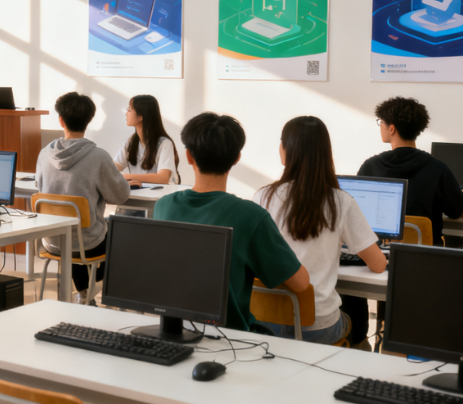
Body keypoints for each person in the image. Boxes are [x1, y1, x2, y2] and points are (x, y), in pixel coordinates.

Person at [153, 112, 310, 333]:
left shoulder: (163, 206)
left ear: (188, 156)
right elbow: (301, 283)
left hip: (173, 329)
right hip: (230, 337)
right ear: (237, 158)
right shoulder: (251, 216)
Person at [253, 116, 387, 345]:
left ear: (285, 150)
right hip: (317, 327)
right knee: (355, 318)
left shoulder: (262, 196)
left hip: (266, 321)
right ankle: (360, 357)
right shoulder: (340, 201)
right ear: (325, 153)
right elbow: (379, 265)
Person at [342, 96, 463, 346]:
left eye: (381, 122)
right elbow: (456, 211)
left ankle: (364, 337)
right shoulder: (437, 168)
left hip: (373, 259)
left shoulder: (371, 166)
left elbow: (354, 216)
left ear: (392, 128)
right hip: (421, 265)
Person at [35, 92, 131, 304]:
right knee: (115, 235)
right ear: (89, 121)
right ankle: (94, 291)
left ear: (61, 120)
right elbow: (121, 195)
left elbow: (39, 186)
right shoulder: (98, 156)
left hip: (51, 241)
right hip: (87, 243)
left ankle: (85, 293)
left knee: (73, 230)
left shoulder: (44, 154)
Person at [114, 95, 180, 185]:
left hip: (160, 193)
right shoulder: (131, 142)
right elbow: (112, 169)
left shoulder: (164, 143)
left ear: (140, 117)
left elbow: (163, 178)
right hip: (138, 192)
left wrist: (126, 176)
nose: (126, 113)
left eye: (129, 110)